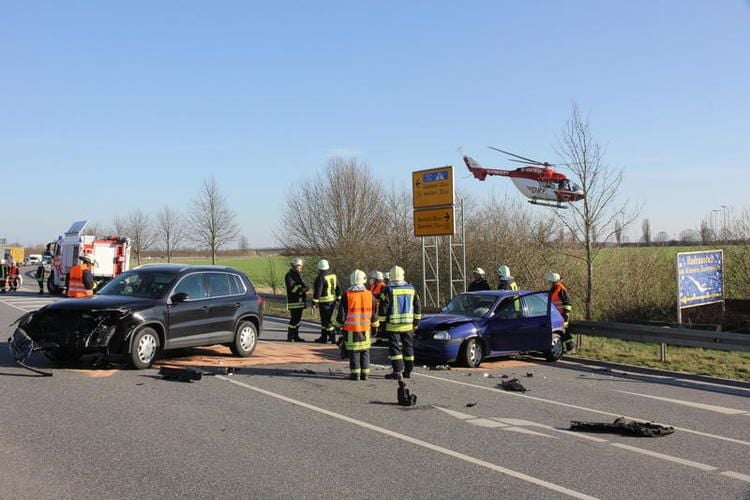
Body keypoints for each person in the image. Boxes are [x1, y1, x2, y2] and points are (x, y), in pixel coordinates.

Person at [334, 269, 379, 380]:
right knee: (365, 351)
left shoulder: (347, 295)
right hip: (366, 329)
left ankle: (355, 374)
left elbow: (341, 315)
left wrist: (337, 325)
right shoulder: (369, 295)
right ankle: (365, 374)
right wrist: (375, 326)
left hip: (351, 330)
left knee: (354, 352)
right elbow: (374, 313)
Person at [378, 265, 422, 380]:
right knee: (408, 347)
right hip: (408, 325)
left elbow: (383, 308)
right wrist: (416, 322)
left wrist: (381, 325)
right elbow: (417, 306)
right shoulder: (411, 288)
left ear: (391, 277)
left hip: (393, 325)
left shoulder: (388, 289)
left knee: (395, 349)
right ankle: (408, 371)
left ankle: (397, 371)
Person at [311, 259, 341, 344]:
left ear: (319, 267)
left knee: (326, 321)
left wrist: (314, 302)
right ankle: (323, 337)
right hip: (332, 301)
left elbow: (318, 291)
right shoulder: (333, 276)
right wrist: (338, 298)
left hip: (324, 302)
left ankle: (332, 337)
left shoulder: (320, 277)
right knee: (325, 320)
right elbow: (338, 288)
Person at [546, 271, 574, 351]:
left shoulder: (561, 289)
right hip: (556, 314)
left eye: (550, 281)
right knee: (560, 331)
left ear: (553, 281)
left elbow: (567, 302)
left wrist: (565, 314)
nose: (549, 283)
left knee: (564, 331)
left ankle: (571, 347)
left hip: (562, 314)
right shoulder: (554, 289)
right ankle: (565, 347)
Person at [284, 258, 308, 342]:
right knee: (294, 319)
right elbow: (292, 288)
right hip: (294, 301)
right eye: (299, 266)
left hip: (300, 301)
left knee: (298, 320)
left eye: (301, 266)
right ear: (294, 266)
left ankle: (296, 336)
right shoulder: (289, 275)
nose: (301, 267)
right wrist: (301, 288)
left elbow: (304, 284)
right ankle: (290, 336)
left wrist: (305, 288)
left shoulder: (299, 274)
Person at [367, 271, 387, 345]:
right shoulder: (372, 286)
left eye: (373, 279)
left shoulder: (383, 287)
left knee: (380, 325)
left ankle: (383, 341)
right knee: (375, 324)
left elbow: (383, 298)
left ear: (377, 279)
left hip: (380, 308)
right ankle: (378, 340)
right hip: (372, 307)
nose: (371, 280)